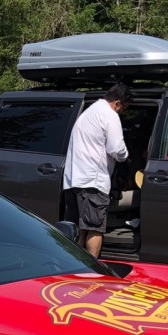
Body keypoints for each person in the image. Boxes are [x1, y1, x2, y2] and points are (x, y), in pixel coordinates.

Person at [62, 83, 130, 257]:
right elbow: (116, 148)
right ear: (117, 103)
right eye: (124, 109)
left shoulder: (89, 112)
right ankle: (92, 270)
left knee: (79, 229)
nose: (122, 113)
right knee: (95, 228)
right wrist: (125, 156)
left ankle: (77, 267)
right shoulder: (109, 115)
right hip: (93, 181)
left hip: (73, 180)